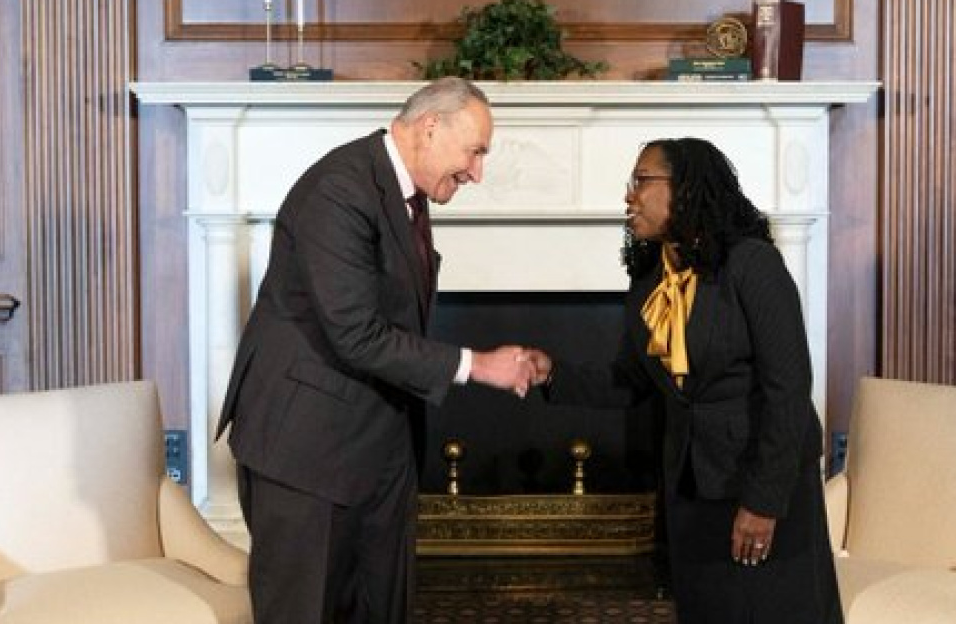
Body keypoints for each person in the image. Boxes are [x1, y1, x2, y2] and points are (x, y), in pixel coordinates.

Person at [215, 77, 535, 624]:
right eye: (475, 152)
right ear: (430, 127)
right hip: (308, 455)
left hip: (377, 450)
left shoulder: (402, 192)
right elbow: (356, 333)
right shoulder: (339, 189)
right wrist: (478, 365)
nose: (477, 172)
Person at [525, 138, 843, 623]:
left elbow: (789, 389)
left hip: (760, 486)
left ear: (686, 189)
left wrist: (762, 502)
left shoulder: (752, 264)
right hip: (691, 489)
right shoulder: (650, 283)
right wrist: (552, 374)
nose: (630, 195)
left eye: (642, 181)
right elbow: (632, 380)